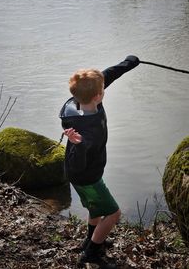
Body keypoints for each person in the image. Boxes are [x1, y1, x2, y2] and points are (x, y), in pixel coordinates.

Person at [59, 55, 140, 268]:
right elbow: (79, 164)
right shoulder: (89, 132)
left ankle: (90, 239)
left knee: (95, 208)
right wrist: (79, 145)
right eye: (102, 89)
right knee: (113, 213)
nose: (105, 88)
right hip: (87, 176)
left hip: (81, 174)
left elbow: (107, 76)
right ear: (98, 96)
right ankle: (92, 253)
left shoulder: (78, 104)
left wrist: (129, 63)